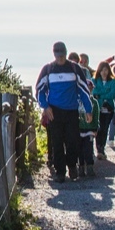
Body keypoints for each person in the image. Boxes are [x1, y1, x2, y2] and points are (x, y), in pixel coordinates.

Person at [35, 43, 90, 181]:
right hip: (54, 111)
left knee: (73, 141)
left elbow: (83, 89)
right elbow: (39, 90)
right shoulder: (48, 69)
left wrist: (88, 109)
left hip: (72, 110)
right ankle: (60, 172)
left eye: (62, 55)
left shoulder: (74, 68)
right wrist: (45, 106)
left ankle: (72, 165)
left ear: (66, 53)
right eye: (58, 56)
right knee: (57, 143)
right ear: (54, 54)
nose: (60, 58)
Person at [90, 60, 115, 161]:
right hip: (98, 108)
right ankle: (99, 149)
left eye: (106, 70)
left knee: (105, 128)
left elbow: (114, 94)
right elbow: (94, 92)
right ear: (99, 70)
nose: (104, 72)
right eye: (102, 70)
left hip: (108, 108)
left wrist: (101, 95)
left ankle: (102, 147)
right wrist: (105, 92)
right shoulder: (94, 81)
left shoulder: (113, 81)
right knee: (98, 128)